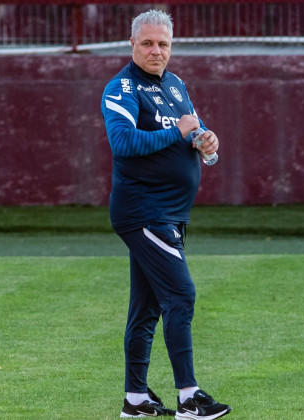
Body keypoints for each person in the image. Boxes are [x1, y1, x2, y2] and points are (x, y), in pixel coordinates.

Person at [100, 9, 232, 420]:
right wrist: (178, 132)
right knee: (181, 294)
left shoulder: (176, 85)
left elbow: (197, 136)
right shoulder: (120, 88)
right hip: (144, 212)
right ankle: (189, 398)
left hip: (170, 213)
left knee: (147, 307)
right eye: (148, 43)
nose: (156, 51)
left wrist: (207, 143)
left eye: (163, 44)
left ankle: (135, 400)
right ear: (133, 45)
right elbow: (122, 143)